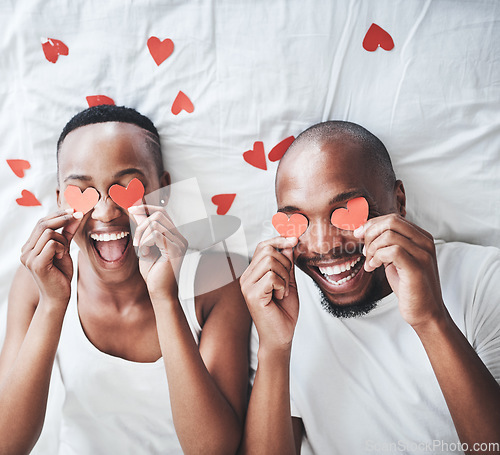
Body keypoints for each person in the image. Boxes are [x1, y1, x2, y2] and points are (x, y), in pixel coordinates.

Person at [0, 105, 251, 454]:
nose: (105, 212)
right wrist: (53, 304)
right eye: (82, 193)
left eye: (126, 189)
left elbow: (212, 449)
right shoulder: (36, 286)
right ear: (60, 202)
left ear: (163, 191)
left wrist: (165, 298)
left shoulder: (217, 281)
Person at [240, 121, 500, 454]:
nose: (321, 246)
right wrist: (274, 349)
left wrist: (431, 320)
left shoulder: (482, 280)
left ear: (399, 202)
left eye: (347, 212)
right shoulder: (278, 307)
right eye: (298, 221)